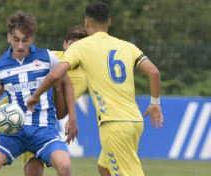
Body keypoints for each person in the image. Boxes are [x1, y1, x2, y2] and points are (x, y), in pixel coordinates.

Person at [26, 1, 163, 176]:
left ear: (87, 22)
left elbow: (55, 75)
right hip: (134, 121)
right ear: (109, 22)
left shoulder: (80, 47)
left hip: (114, 124)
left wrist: (36, 95)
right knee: (104, 167)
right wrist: (155, 103)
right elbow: (154, 72)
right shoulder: (127, 46)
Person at [0, 11, 78, 176]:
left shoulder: (48, 58)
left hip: (44, 130)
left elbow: (66, 83)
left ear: (32, 39)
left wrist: (72, 118)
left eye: (25, 40)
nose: (21, 46)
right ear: (9, 38)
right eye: (16, 40)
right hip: (14, 131)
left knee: (65, 167)